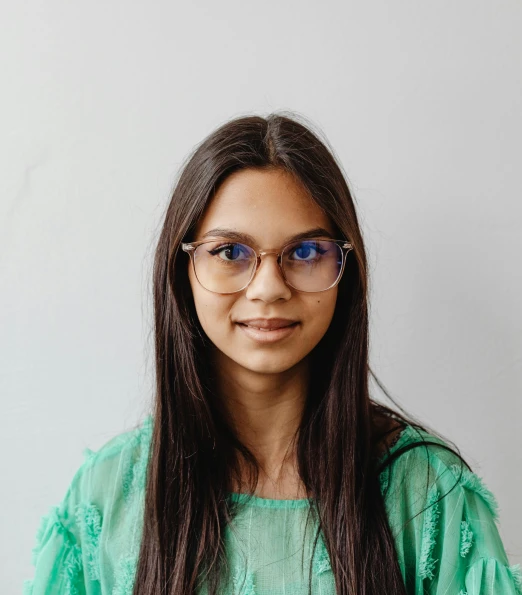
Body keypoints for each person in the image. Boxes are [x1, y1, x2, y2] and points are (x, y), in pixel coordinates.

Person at [24, 113, 520, 595]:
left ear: (345, 270)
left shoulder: (430, 495)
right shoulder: (105, 496)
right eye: (230, 252)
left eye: (305, 253)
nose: (268, 288)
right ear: (183, 270)